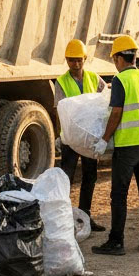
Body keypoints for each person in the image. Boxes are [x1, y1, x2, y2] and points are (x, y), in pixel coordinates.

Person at [91, 35, 139, 256]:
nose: (115, 63)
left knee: (119, 194)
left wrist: (104, 140)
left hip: (129, 144)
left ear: (120, 58)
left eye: (114, 59)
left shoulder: (121, 80)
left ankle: (116, 242)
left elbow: (117, 112)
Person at [54, 38, 107, 232]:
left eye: (79, 60)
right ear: (66, 60)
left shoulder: (94, 78)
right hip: (70, 139)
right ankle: (63, 219)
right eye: (71, 60)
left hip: (88, 137)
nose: (75, 64)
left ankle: (86, 216)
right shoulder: (61, 82)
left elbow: (105, 100)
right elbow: (59, 110)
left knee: (89, 177)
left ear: (85, 59)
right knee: (66, 178)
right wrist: (60, 135)